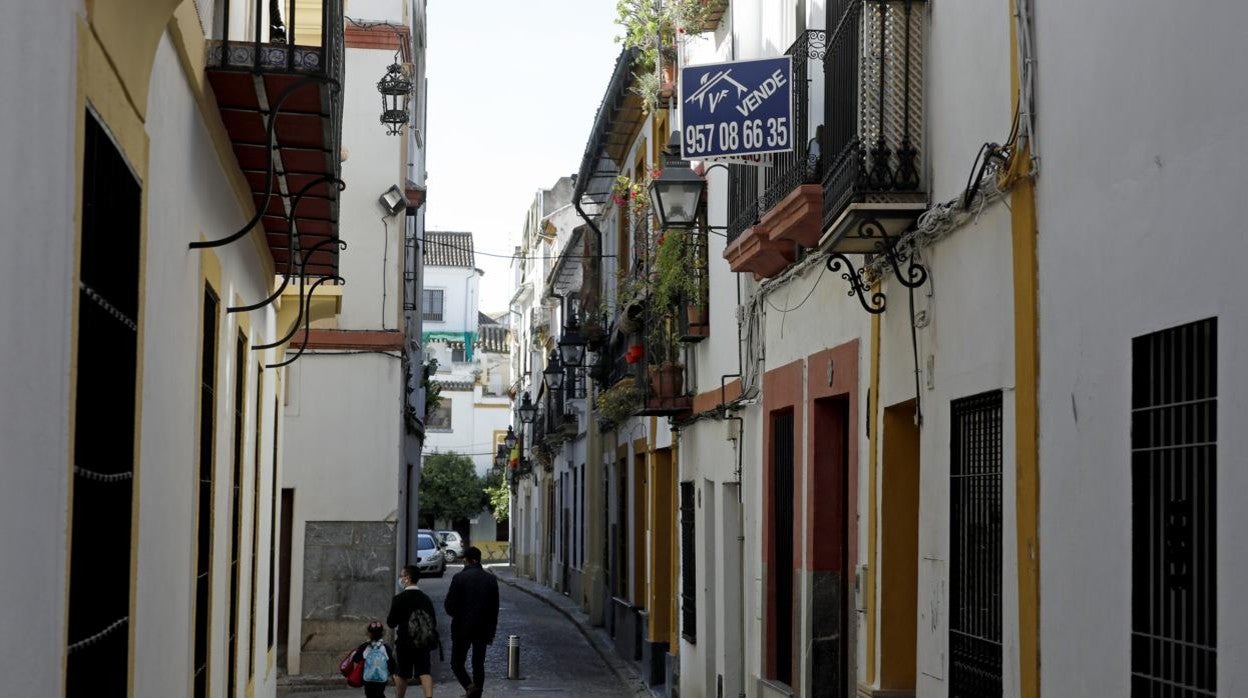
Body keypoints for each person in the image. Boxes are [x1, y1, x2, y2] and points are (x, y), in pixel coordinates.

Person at [443, 546, 499, 698]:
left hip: (461, 628)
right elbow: (494, 609)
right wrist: (491, 631)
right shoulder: (491, 579)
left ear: (466, 560)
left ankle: (469, 687)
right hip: (483, 629)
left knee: (457, 663)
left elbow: (449, 606)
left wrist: (460, 613)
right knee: (478, 664)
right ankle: (476, 693)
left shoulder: (459, 578)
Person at [386, 564, 438, 698]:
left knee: (403, 673)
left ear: (407, 578)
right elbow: (433, 621)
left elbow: (391, 623)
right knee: (424, 672)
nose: (400, 578)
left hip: (405, 642)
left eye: (401, 576)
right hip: (422, 642)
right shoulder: (425, 598)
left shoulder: (399, 599)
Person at [353, 621, 396, 698]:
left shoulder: (364, 646)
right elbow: (391, 663)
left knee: (369, 695)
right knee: (380, 694)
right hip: (382, 679)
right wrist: (393, 674)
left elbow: (356, 659)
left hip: (368, 679)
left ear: (369, 633)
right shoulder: (385, 647)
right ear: (382, 633)